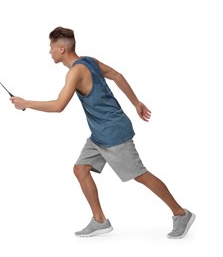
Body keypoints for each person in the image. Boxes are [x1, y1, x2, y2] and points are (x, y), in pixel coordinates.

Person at [10, 26, 195, 238]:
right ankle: (100, 220)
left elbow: (59, 105)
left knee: (140, 175)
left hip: (112, 133)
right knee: (80, 169)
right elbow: (117, 75)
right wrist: (135, 103)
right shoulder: (89, 60)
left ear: (61, 49)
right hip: (99, 133)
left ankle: (181, 214)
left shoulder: (75, 72)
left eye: (51, 47)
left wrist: (27, 103)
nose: (49, 51)